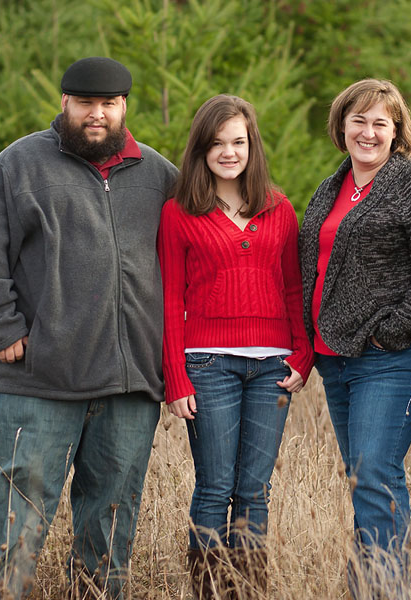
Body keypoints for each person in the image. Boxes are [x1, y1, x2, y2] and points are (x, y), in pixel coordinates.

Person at [0, 56, 178, 599]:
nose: (97, 115)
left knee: (111, 515)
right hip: (41, 376)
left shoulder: (158, 174)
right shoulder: (18, 165)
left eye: (108, 104)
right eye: (86, 104)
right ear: (65, 104)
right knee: (15, 504)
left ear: (125, 107)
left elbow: (196, 254)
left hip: (130, 383)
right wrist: (2, 327)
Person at [298, 79, 411, 599]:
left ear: (397, 131)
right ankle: (371, 583)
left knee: (374, 471)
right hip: (336, 356)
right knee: (362, 475)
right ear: (341, 125)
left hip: (397, 355)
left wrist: (392, 331)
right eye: (358, 121)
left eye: (379, 123)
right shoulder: (331, 186)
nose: (367, 133)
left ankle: (384, 590)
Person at [158, 94, 314, 598]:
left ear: (252, 146)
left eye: (239, 142)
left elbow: (293, 287)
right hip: (207, 365)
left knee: (254, 491)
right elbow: (169, 300)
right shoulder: (179, 213)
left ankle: (245, 590)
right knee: (214, 488)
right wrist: (175, 378)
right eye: (218, 143)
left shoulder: (278, 207)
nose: (229, 152)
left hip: (272, 366)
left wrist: (302, 354)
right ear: (201, 150)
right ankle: (207, 589)